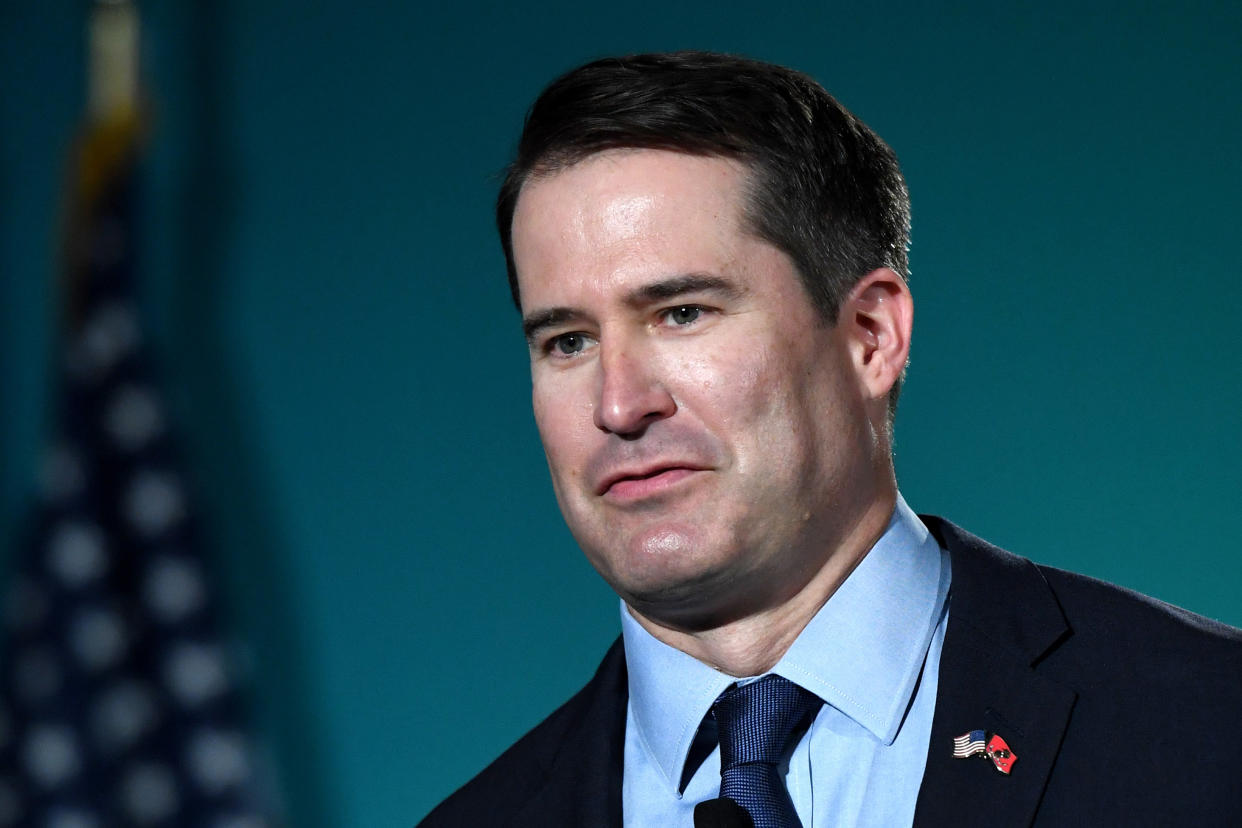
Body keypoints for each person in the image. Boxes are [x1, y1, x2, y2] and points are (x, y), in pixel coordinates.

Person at [420, 51, 1242, 827]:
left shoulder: (1209, 726)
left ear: (869, 337)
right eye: (567, 340)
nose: (619, 405)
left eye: (682, 314)